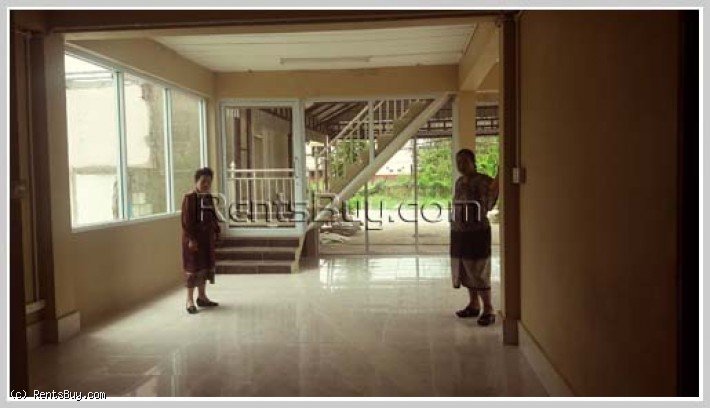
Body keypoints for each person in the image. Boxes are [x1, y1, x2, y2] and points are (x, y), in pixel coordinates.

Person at [450, 149, 499, 326]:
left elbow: (491, 199)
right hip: (459, 232)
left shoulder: (483, 180)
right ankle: (473, 304)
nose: (461, 165)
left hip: (477, 232)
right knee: (465, 268)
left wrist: (500, 174)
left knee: (479, 270)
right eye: (458, 161)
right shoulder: (459, 182)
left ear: (473, 162)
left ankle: (489, 309)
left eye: (465, 161)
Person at [181, 167, 220, 314]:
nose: (206, 184)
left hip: (206, 239)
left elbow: (212, 215)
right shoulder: (189, 198)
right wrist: (191, 239)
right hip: (193, 240)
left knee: (204, 267)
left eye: (209, 181)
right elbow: (186, 221)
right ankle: (189, 300)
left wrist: (216, 230)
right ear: (196, 181)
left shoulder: (208, 197)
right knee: (193, 269)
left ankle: (202, 297)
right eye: (203, 181)